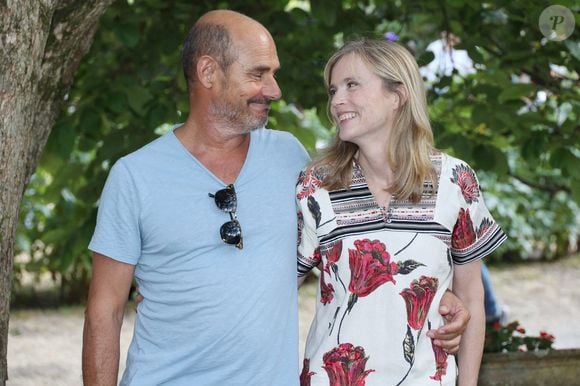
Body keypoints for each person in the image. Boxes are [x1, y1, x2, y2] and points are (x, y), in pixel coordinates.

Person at [82, 10, 470, 386]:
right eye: (258, 74)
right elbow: (105, 311)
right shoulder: (135, 176)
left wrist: (436, 288)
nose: (274, 90)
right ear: (208, 72)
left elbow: (346, 250)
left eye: (274, 74)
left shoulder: (291, 159)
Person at [296, 39, 507, 385]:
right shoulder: (315, 185)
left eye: (352, 85)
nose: (336, 101)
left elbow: (471, 295)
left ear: (397, 95)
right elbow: (277, 288)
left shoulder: (455, 180)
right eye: (333, 90)